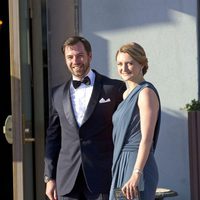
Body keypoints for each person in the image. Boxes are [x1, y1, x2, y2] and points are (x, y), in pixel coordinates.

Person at [44, 36, 126, 200]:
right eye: (70, 57)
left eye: (80, 55)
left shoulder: (114, 89)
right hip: (67, 180)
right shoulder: (57, 93)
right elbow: (53, 138)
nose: (75, 61)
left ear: (90, 56)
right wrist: (49, 178)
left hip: (103, 177)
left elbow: (125, 132)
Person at [109, 42, 161, 200]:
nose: (123, 68)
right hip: (122, 163)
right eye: (120, 63)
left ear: (142, 64)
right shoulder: (125, 95)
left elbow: (146, 138)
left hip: (136, 166)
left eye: (129, 63)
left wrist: (136, 173)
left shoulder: (146, 93)